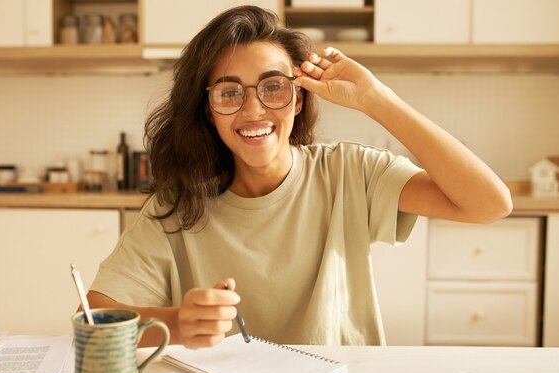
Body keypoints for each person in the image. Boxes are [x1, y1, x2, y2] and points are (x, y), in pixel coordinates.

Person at [86, 5, 512, 349]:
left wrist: (376, 99)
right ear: (208, 112)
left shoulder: (350, 172)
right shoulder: (176, 205)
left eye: (273, 86)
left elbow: (490, 204)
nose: (253, 110)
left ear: (297, 99)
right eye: (229, 93)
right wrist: (177, 324)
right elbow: (92, 321)